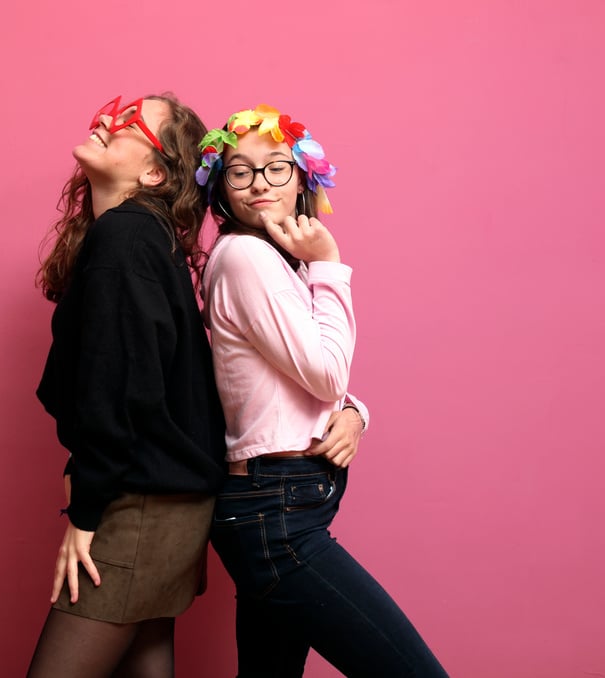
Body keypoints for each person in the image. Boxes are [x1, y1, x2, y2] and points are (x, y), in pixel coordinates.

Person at [196, 105, 447, 677]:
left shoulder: (280, 263)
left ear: (303, 179)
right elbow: (326, 374)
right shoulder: (245, 257)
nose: (259, 183)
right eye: (239, 171)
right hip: (275, 514)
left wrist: (354, 414)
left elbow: (294, 385)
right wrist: (331, 265)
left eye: (277, 167)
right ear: (222, 190)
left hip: (277, 504)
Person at [27, 94, 226, 678]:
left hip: (141, 503)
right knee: (145, 663)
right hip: (165, 500)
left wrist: (86, 513)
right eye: (113, 109)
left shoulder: (125, 239)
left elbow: (120, 391)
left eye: (131, 120)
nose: (108, 120)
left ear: (154, 172)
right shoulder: (137, 237)